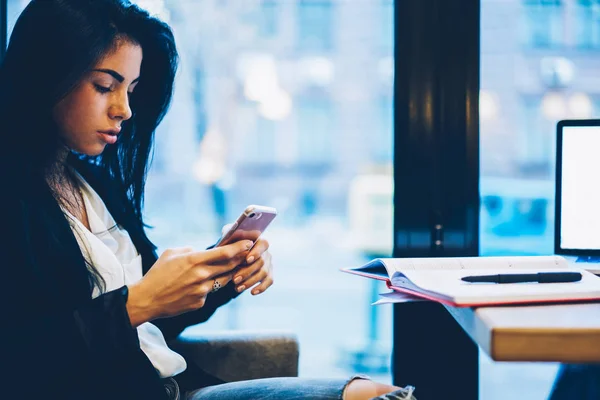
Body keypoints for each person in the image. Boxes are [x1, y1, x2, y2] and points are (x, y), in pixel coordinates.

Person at [0, 1, 417, 399]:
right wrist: (136, 303)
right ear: (45, 76)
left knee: (381, 394)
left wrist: (222, 269)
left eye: (132, 89)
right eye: (104, 86)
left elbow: (159, 315)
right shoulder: (13, 195)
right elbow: (20, 358)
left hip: (178, 387)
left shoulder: (90, 182)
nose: (124, 109)